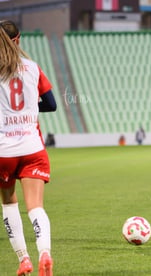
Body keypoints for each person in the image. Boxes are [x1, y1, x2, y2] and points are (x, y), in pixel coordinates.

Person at [0, 20, 55, 276]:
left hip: (4, 151)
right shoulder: (33, 67)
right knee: (36, 207)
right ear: (18, 40)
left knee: (9, 204)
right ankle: (45, 253)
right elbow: (51, 103)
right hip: (33, 147)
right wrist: (30, 109)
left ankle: (24, 260)